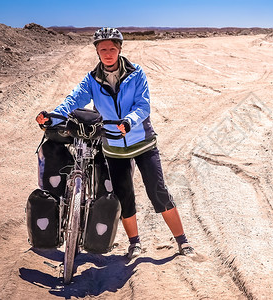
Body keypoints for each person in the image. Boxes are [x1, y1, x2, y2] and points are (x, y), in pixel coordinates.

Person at [36, 27, 194, 259]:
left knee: (157, 191)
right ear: (97, 52)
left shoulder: (136, 73)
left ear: (119, 49)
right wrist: (53, 115)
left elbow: (143, 106)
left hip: (142, 142)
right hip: (113, 147)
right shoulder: (92, 79)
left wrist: (128, 122)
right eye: (103, 49)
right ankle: (135, 244)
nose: (108, 53)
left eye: (112, 48)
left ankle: (183, 242)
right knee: (124, 196)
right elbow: (74, 100)